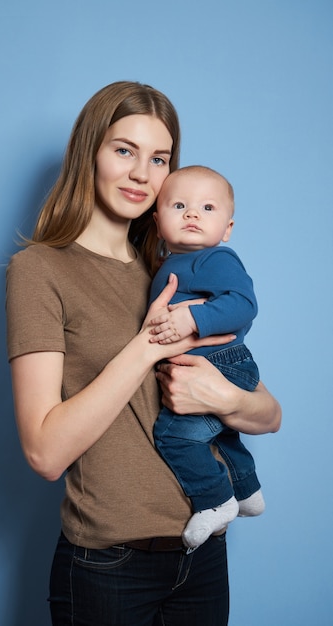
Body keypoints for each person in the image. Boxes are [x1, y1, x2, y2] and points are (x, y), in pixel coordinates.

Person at [5, 81, 281, 626]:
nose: (141, 174)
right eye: (124, 150)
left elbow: (268, 414)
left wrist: (222, 397)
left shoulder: (177, 266)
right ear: (90, 151)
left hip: (203, 553)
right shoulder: (41, 270)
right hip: (109, 564)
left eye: (159, 158)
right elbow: (44, 453)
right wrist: (148, 343)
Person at [148, 165, 266, 552]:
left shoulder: (216, 259)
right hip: (218, 363)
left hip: (224, 362)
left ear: (227, 228)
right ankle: (248, 491)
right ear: (157, 219)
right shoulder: (170, 263)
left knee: (174, 436)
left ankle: (216, 500)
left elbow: (244, 304)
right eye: (179, 205)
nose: (193, 214)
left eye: (207, 208)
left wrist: (189, 319)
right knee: (222, 434)